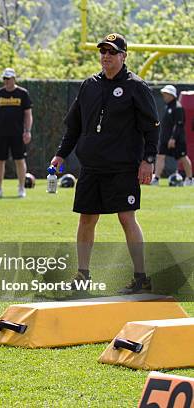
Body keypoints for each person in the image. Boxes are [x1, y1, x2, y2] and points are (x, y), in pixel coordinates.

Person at [50, 33, 160, 294]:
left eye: (112, 52)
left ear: (124, 56)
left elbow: (152, 128)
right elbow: (74, 127)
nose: (106, 56)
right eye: (103, 51)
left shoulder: (136, 86)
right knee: (86, 219)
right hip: (91, 167)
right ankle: (83, 275)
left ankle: (141, 277)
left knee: (126, 218)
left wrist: (149, 161)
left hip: (123, 167)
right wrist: (60, 154)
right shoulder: (89, 85)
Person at [0, 67, 33, 198]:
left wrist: (28, 131)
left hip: (18, 134)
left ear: (14, 79)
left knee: (20, 160)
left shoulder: (23, 93)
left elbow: (28, 114)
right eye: (4, 79)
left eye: (8, 79)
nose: (6, 81)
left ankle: (21, 188)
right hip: (1, 133)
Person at [152, 85, 192, 186]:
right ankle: (156, 178)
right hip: (165, 139)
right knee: (160, 156)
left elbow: (179, 125)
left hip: (177, 139)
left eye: (166, 94)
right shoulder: (167, 107)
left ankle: (190, 179)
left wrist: (173, 138)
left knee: (183, 157)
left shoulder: (178, 107)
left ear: (171, 95)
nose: (164, 96)